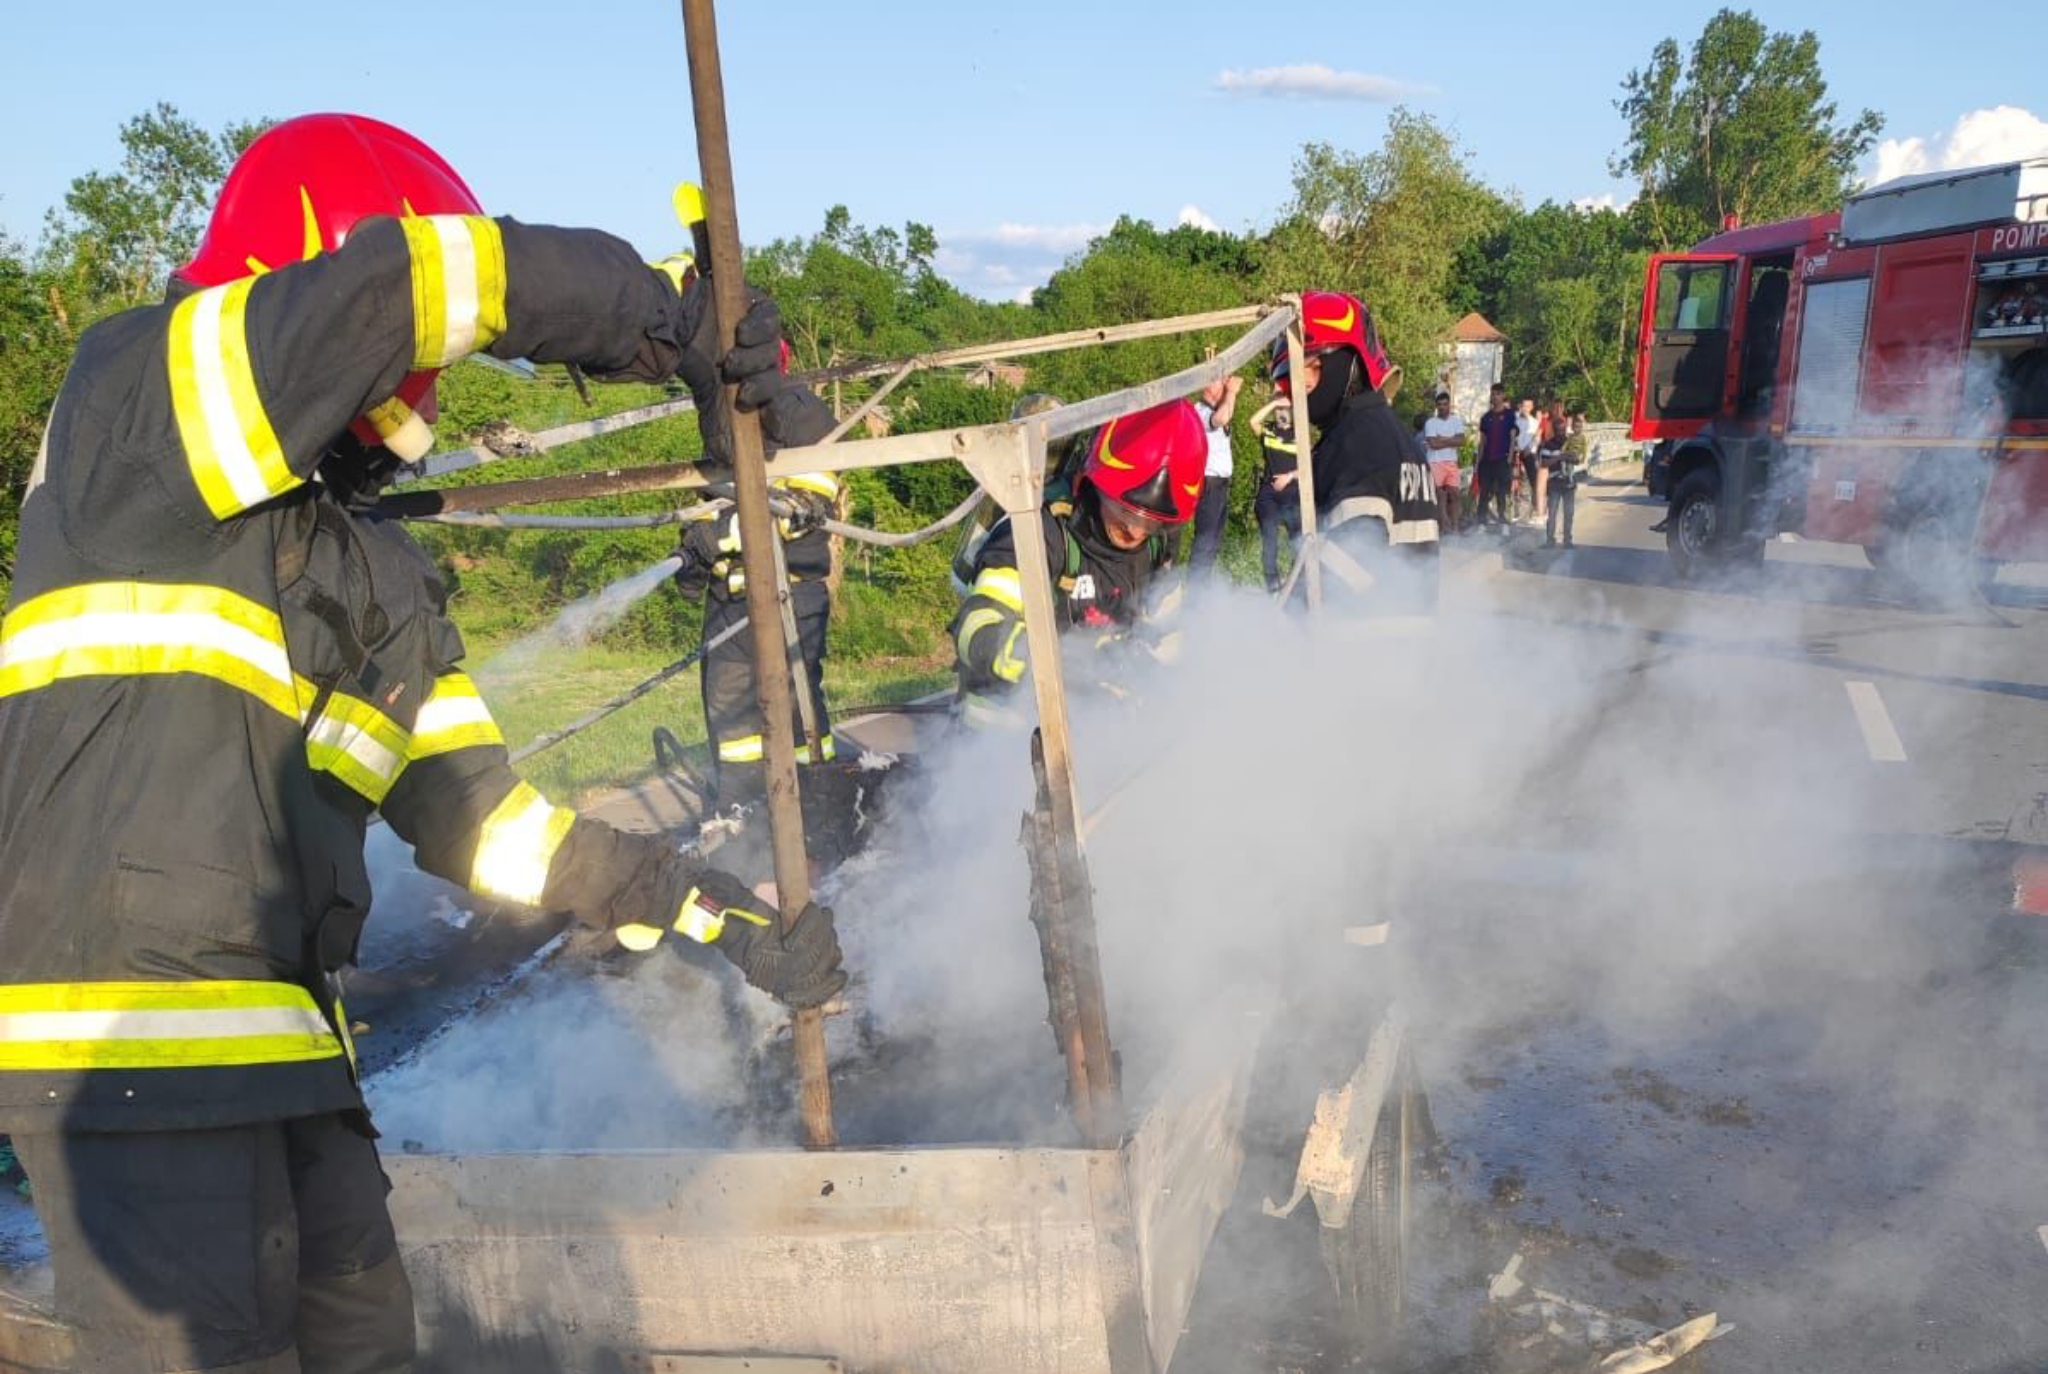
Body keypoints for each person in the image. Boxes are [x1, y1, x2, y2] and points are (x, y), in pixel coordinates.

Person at [0, 114, 849, 1374]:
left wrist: (712, 911)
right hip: (130, 1062)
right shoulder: (142, 408)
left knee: (372, 1350)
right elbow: (404, 287)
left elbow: (487, 828)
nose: (434, 384)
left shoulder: (368, 576)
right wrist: (662, 318)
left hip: (290, 1067)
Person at [951, 399, 1208, 729]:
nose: (1135, 530)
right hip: (1001, 733)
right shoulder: (1039, 531)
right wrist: (1065, 668)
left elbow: (1164, 634)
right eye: (1124, 512)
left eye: (1152, 523)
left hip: (1090, 728)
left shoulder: (1158, 542)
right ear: (1095, 483)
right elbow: (976, 625)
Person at [675, 471, 842, 805]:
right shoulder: (720, 442)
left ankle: (819, 811)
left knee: (797, 712)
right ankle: (742, 819)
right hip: (728, 607)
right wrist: (692, 552)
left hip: (788, 601)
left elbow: (800, 509)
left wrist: (719, 536)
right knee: (732, 724)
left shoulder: (803, 424)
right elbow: (707, 515)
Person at [1271, 290, 1440, 613]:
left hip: (1362, 646)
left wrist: (1286, 617)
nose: (1296, 391)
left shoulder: (1355, 440)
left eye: (1309, 369)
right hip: (1411, 640)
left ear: (1346, 361)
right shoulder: (1396, 435)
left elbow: (1353, 564)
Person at [1246, 396, 1303, 593]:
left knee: (1299, 539)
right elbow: (1252, 421)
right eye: (1279, 410)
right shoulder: (1268, 431)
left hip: (1293, 491)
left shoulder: (1300, 435)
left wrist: (1288, 477)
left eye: (1286, 409)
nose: (1282, 413)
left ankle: (1299, 583)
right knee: (1270, 537)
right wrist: (1273, 403)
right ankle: (1273, 585)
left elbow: (1309, 467)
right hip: (1269, 493)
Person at [1187, 374, 1242, 575]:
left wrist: (1230, 394)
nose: (1226, 383)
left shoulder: (1214, 409)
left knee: (1213, 542)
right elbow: (1221, 418)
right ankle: (1194, 595)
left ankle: (1201, 590)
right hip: (1209, 484)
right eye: (1221, 380)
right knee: (1205, 541)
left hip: (1220, 485)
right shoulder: (1200, 412)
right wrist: (1232, 392)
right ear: (1208, 386)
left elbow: (1227, 412)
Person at [1474, 383, 1517, 532]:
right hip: (1487, 459)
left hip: (1502, 458)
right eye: (1493, 394)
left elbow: (1512, 437)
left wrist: (1510, 457)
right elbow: (1482, 440)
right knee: (1484, 491)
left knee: (1501, 491)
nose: (1495, 397)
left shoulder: (1510, 415)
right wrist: (1478, 462)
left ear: (1503, 395)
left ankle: (1503, 521)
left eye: (1498, 394)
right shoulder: (1486, 418)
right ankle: (1481, 522)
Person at [1422, 391, 1466, 535]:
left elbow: (1462, 441)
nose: (1442, 407)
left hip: (1451, 462)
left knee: (1456, 494)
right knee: (1439, 496)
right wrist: (1451, 440)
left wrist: (1443, 439)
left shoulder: (1456, 421)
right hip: (1435, 462)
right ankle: (1443, 526)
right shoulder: (1430, 422)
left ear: (1449, 404)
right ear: (1436, 406)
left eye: (1445, 404)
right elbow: (1433, 444)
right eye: (1439, 405)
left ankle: (1455, 526)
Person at [1544, 414, 1586, 548]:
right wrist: (1559, 457)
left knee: (1569, 513)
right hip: (1554, 482)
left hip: (1569, 482)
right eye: (1558, 430)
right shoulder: (1548, 444)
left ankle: (1567, 540)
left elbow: (1578, 459)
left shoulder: (1572, 440)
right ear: (1554, 430)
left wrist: (1571, 456)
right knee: (1552, 513)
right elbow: (1544, 462)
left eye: (1563, 430)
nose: (1561, 433)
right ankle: (1550, 540)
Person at [1515, 396, 1544, 522]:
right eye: (1523, 406)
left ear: (1531, 408)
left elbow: (1536, 439)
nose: (1525, 409)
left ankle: (1535, 509)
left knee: (1534, 481)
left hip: (1529, 453)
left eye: (1528, 406)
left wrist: (1527, 449)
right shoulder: (1514, 419)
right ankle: (1514, 509)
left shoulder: (1534, 422)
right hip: (1515, 452)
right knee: (1512, 481)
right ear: (1520, 406)